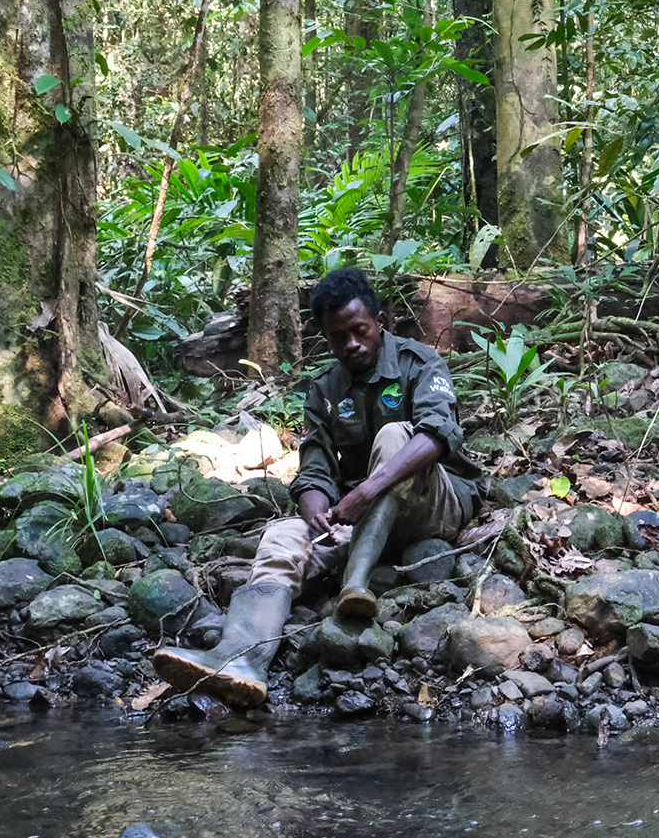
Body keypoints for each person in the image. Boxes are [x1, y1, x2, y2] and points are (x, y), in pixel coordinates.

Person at [153, 267, 477, 709]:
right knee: (282, 536)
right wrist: (316, 509)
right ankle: (241, 657)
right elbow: (314, 469)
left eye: (360, 331)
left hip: (431, 505)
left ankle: (355, 588)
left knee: (395, 438)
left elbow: (438, 436)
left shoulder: (418, 362)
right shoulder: (324, 388)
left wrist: (366, 491)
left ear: (379, 321)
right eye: (338, 337)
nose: (351, 344)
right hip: (361, 521)